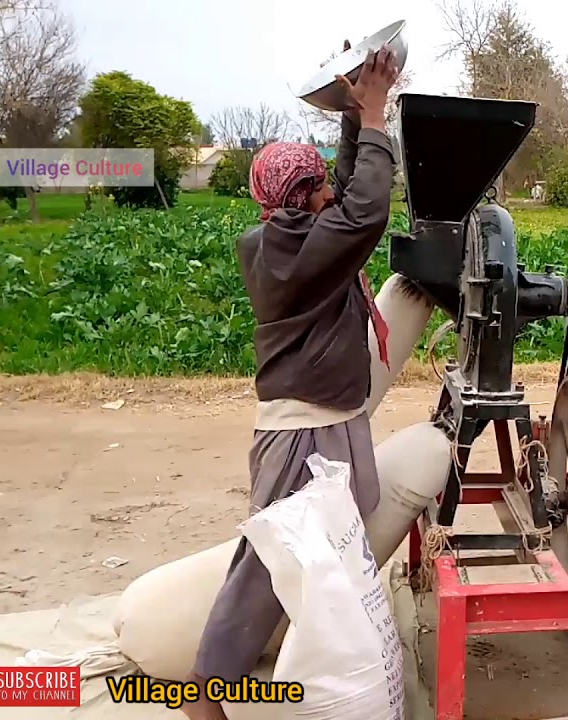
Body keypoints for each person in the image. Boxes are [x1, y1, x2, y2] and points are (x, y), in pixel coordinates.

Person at [181, 44, 401, 720]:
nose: (330, 190)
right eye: (319, 187)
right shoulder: (294, 251)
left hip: (331, 416)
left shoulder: (293, 232)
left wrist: (348, 114)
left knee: (354, 510)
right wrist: (375, 114)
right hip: (301, 429)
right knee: (267, 559)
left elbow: (344, 191)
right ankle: (204, 692)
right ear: (301, 200)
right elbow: (363, 211)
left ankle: (321, 648)